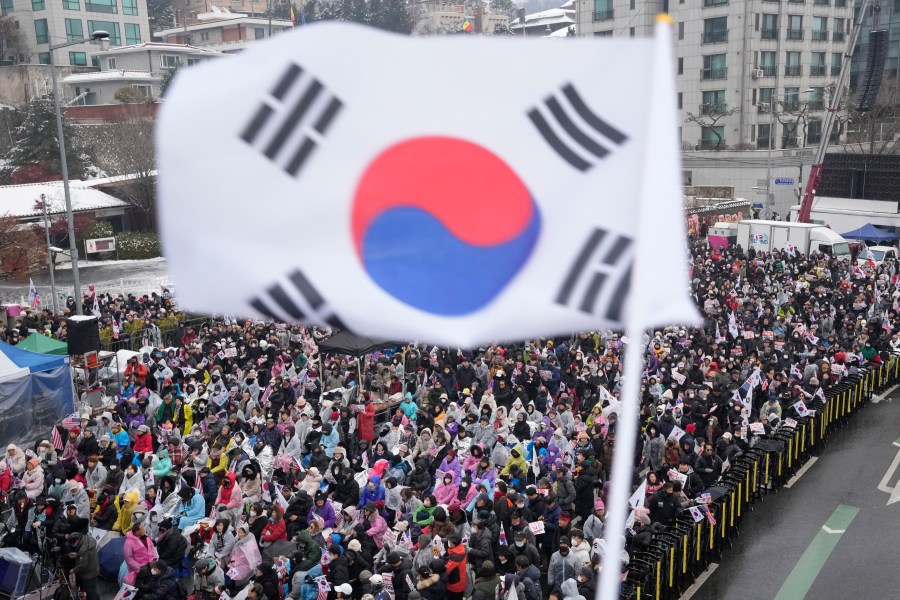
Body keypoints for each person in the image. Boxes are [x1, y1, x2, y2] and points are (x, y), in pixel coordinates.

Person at [67, 533, 100, 600]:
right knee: (91, 589)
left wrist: (73, 570)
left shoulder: (83, 549)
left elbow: (82, 565)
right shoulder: (87, 538)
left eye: (73, 543)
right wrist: (78, 555)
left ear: (77, 540)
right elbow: (86, 555)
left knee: (90, 591)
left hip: (89, 573)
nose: (73, 545)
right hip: (94, 568)